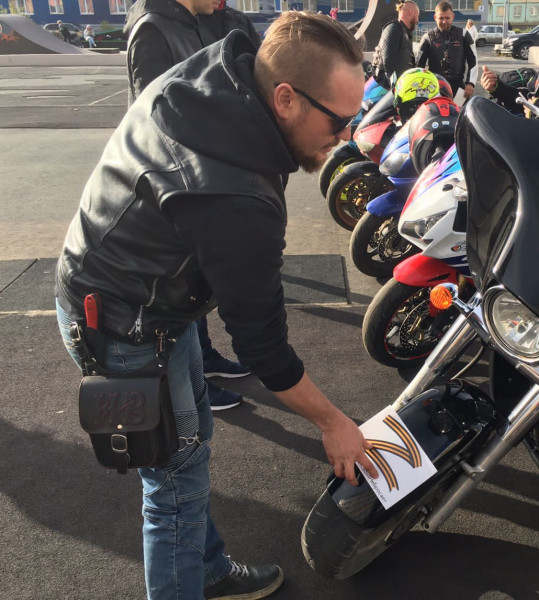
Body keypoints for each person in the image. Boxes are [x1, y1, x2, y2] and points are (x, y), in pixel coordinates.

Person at [56, 12, 379, 600]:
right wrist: (334, 423)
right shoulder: (235, 196)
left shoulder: (225, 73)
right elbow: (263, 348)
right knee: (174, 487)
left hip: (142, 295)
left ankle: (204, 571)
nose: (347, 136)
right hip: (121, 322)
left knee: (190, 443)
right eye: (339, 120)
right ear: (285, 98)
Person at [123, 0, 252, 411]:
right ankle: (192, 385)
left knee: (195, 283)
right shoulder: (153, 29)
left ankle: (204, 359)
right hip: (173, 185)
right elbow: (154, 117)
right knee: (177, 289)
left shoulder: (191, 21)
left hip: (198, 175)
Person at [416, 1, 477, 100]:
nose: (444, 22)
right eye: (441, 18)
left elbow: (473, 60)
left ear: (453, 16)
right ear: (435, 17)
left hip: (459, 87)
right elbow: (419, 65)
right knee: (436, 110)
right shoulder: (427, 38)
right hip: (435, 88)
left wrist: (470, 83)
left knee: (461, 110)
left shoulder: (464, 35)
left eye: (447, 18)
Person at [370, 0, 419, 90]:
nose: (417, 21)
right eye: (417, 16)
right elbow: (388, 63)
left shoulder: (404, 32)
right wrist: (394, 89)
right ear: (411, 12)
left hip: (396, 88)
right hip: (385, 90)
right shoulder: (394, 28)